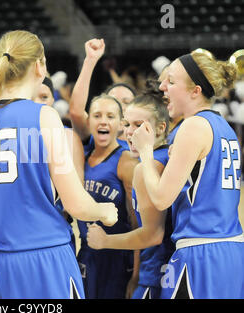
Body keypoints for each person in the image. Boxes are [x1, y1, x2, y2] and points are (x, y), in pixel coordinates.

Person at [0, 30, 118, 299]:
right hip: (40, 258)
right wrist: (104, 212)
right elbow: (76, 204)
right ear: (39, 66)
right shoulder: (43, 116)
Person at [131, 51, 244, 298]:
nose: (162, 86)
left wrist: (146, 152)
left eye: (171, 82)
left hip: (200, 253)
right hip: (232, 251)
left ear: (195, 91)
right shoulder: (223, 127)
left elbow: (161, 199)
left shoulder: (193, 126)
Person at [87, 80, 175, 299]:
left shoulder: (147, 167)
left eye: (138, 125)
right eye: (127, 124)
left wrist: (105, 241)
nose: (130, 132)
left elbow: (153, 234)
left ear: (161, 128)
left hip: (156, 272)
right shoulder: (169, 156)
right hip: (169, 267)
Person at [76, 94, 139, 299]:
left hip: (118, 258)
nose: (103, 120)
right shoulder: (81, 156)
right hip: (87, 254)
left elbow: (137, 223)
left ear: (121, 124)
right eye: (97, 115)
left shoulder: (127, 160)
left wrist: (136, 275)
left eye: (110, 116)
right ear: (89, 122)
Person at [33, 76, 85, 254]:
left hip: (56, 233)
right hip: (19, 234)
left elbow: (77, 193)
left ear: (53, 99)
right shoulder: (13, 135)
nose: (38, 103)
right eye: (33, 97)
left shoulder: (69, 137)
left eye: (44, 97)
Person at [69, 39, 135, 155]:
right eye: (114, 101)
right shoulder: (95, 137)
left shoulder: (147, 145)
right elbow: (76, 111)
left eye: (126, 102)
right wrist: (90, 60)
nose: (119, 106)